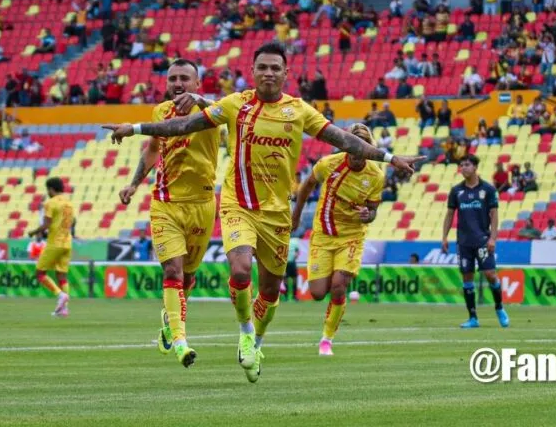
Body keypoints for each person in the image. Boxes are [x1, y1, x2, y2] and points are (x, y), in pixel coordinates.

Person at [102, 42, 423, 383]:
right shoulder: (235, 104)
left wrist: (389, 158)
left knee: (270, 292)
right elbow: (183, 126)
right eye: (262, 67)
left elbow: (344, 140)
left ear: (286, 73)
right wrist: (134, 129)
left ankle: (256, 338)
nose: (268, 72)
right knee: (240, 271)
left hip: (276, 213)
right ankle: (243, 333)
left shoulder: (299, 110)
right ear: (252, 72)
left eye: (275, 68)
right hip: (237, 205)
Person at [117, 59, 220, 369]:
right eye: (173, 78)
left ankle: (169, 320)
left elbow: (229, 113)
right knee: (173, 272)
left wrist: (201, 102)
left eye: (185, 78)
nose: (178, 83)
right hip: (166, 203)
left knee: (188, 276)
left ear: (197, 83)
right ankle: (180, 341)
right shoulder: (161, 112)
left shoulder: (211, 109)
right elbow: (152, 149)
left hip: (202, 204)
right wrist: (134, 183)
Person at [292, 123, 384, 356]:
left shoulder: (375, 175)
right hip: (323, 235)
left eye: (360, 152)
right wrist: (297, 214)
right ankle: (330, 318)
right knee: (317, 292)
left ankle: (326, 339)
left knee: (338, 286)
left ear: (368, 150)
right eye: (351, 150)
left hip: (351, 236)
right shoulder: (328, 164)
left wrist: (367, 215)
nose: (354, 156)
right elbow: (306, 186)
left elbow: (373, 210)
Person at [441, 155, 509, 329]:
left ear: (475, 167)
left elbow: (494, 215)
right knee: (467, 277)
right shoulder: (456, 191)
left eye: (466, 165)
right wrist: (444, 237)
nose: (463, 168)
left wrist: (493, 238)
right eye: (461, 165)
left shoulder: (488, 189)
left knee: (490, 275)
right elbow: (450, 215)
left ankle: (499, 307)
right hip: (463, 242)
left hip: (483, 241)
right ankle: (473, 318)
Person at [27, 177, 75, 318]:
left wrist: (33, 232)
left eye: (48, 189)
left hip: (55, 242)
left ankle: (59, 295)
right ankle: (63, 309)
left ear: (51, 189)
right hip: (67, 242)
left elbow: (46, 224)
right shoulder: (69, 203)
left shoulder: (50, 203)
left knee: (40, 273)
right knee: (62, 276)